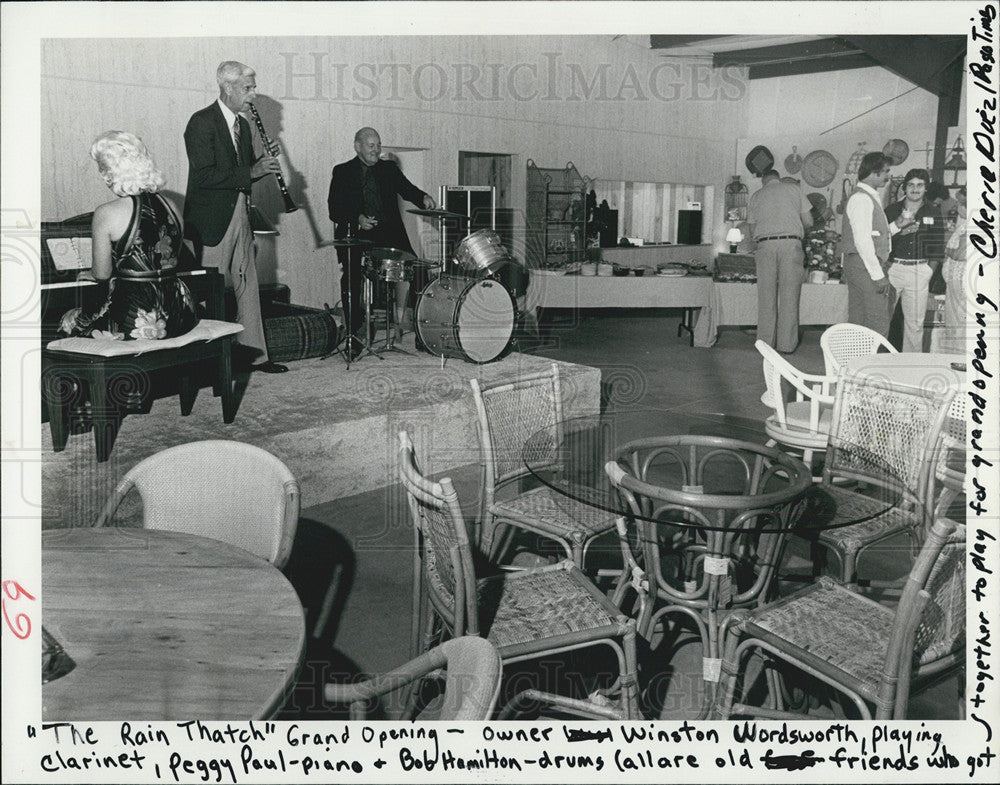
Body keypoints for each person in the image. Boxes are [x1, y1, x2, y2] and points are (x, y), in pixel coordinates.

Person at [183, 60, 287, 373]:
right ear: (228, 87)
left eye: (253, 87)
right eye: (248, 88)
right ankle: (205, 363)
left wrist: (263, 163)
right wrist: (251, 169)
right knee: (207, 293)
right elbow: (204, 176)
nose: (253, 94)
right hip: (211, 220)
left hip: (240, 212)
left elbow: (238, 174)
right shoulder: (201, 122)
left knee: (247, 284)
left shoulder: (241, 127)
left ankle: (255, 356)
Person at [59, 131, 198, 343]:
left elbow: (103, 274)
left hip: (135, 322)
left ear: (109, 171)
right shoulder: (172, 205)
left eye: (101, 168)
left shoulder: (106, 213)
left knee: (68, 321)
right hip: (181, 315)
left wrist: (91, 272)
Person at [327, 128, 434, 356]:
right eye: (371, 145)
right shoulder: (342, 172)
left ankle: (423, 335)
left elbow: (407, 189)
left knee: (420, 273)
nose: (376, 150)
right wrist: (357, 219)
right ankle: (353, 336)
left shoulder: (389, 169)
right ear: (357, 146)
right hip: (355, 235)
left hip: (389, 234)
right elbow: (334, 209)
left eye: (378, 145)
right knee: (351, 280)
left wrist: (422, 197)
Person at [841, 152, 912, 337]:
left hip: (858, 264)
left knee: (859, 318)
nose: (888, 176)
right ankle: (874, 364)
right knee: (878, 320)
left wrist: (897, 226)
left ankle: (853, 363)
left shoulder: (865, 196)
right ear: (874, 172)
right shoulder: (862, 199)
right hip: (864, 265)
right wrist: (878, 275)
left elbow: (873, 234)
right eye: (886, 172)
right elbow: (863, 241)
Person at [746, 169, 812, 353]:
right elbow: (809, 221)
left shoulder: (757, 195)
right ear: (778, 178)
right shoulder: (794, 190)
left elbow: (752, 231)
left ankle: (765, 344)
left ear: (764, 181)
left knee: (766, 296)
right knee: (789, 296)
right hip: (791, 244)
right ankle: (786, 345)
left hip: (765, 245)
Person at [884, 168, 945, 353]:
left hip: (919, 271)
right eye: (911, 185)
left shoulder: (933, 211)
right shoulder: (891, 209)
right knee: (882, 319)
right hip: (893, 268)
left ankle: (910, 366)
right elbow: (880, 239)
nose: (915, 189)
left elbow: (937, 246)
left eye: (920, 185)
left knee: (915, 325)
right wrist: (900, 232)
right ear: (904, 187)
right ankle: (878, 361)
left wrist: (928, 272)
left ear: (926, 189)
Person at [940, 186, 967, 354]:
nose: (957, 207)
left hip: (961, 282)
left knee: (958, 326)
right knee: (954, 325)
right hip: (955, 281)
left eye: (960, 203)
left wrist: (946, 249)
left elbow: (959, 253)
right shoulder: (964, 224)